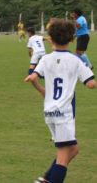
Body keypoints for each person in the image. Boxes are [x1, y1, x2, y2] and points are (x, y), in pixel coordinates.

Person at [24, 19, 96, 183]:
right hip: (64, 114)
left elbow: (33, 77)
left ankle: (45, 179)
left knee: (73, 149)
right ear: (72, 39)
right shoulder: (75, 60)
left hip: (50, 112)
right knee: (63, 157)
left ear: (50, 38)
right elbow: (91, 84)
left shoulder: (45, 59)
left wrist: (41, 89)